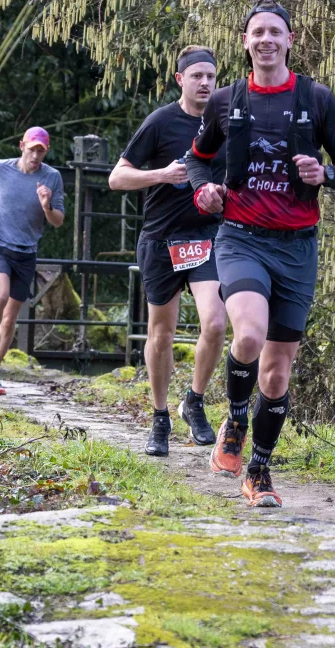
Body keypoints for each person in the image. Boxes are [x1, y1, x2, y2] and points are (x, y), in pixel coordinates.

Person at [185, 0, 335, 507]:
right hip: (241, 237)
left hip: (297, 248)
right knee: (248, 334)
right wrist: (204, 192)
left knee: (278, 372)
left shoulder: (317, 99)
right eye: (257, 32)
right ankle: (235, 420)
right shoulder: (226, 100)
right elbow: (196, 161)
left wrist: (325, 173)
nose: (266, 39)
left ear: (290, 40)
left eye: (275, 32)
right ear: (245, 42)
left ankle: (259, 472)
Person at [109, 46, 228, 456]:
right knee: (161, 333)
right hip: (162, 240)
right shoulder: (161, 121)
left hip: (208, 237)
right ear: (180, 79)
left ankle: (194, 401)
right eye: (196, 76)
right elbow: (116, 178)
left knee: (216, 323)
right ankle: (160, 417)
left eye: (210, 76)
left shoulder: (224, 123)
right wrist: (161, 174)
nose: (205, 83)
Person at [0, 127, 65, 395]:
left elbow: (58, 220)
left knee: (10, 318)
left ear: (46, 152)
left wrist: (46, 205)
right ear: (22, 146)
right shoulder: (0, 168)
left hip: (26, 252)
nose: (35, 156)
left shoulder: (52, 177)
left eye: (41, 151)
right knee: (0, 296)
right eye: (32, 149)